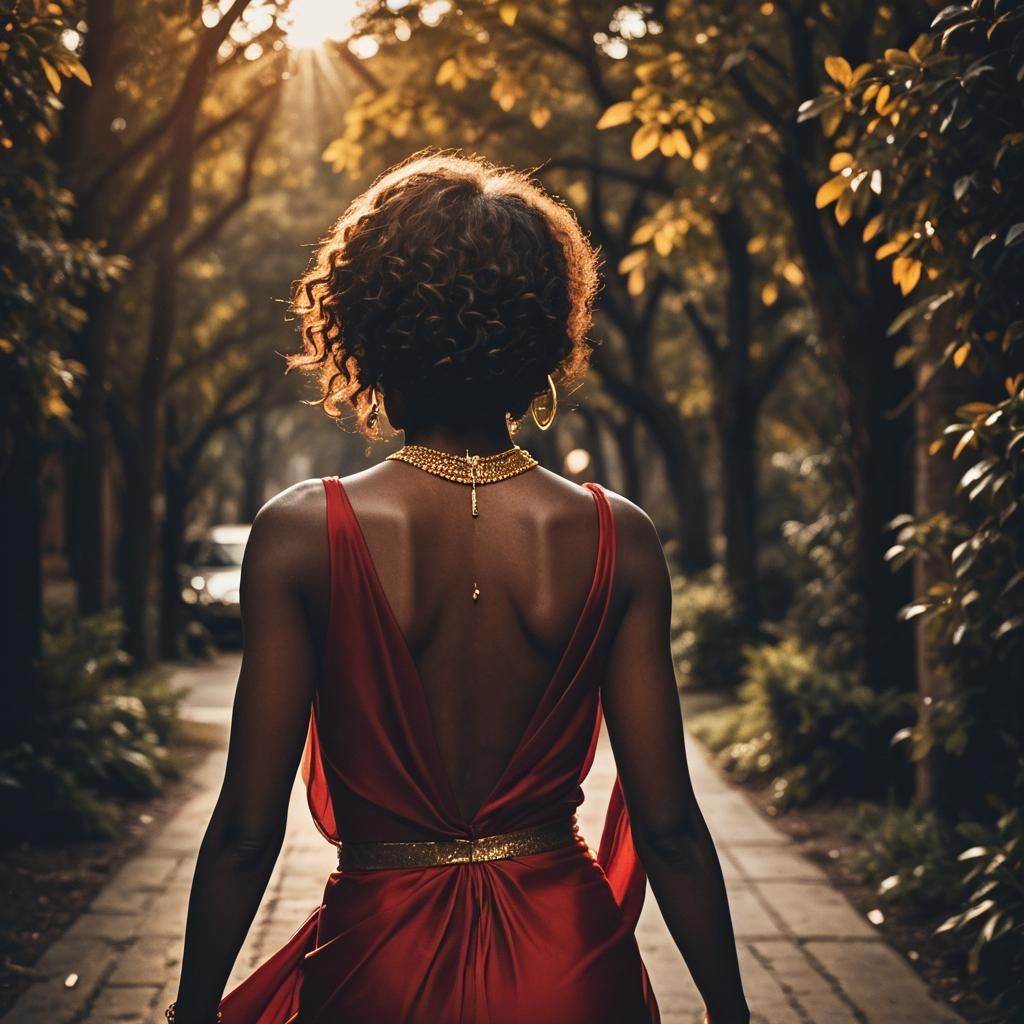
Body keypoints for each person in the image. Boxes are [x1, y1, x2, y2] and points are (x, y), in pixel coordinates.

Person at [165, 149, 750, 1024]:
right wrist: (731, 1012)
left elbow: (248, 831)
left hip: (378, 972)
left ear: (369, 327)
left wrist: (191, 1009)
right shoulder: (617, 536)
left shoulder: (298, 537)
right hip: (572, 971)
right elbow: (668, 828)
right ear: (545, 333)